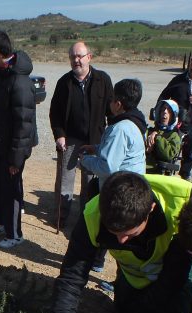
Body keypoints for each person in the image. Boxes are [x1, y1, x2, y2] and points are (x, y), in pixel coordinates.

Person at [51, 171, 192, 313]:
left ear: (150, 210)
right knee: (122, 312)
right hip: (132, 274)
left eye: (130, 233)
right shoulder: (94, 212)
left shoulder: (182, 209)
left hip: (172, 273)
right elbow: (70, 280)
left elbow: (172, 279)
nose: (120, 241)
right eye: (114, 233)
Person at [0, 30, 38, 250]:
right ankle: (3, 224)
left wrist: (16, 159)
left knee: (11, 190)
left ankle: (15, 234)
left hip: (13, 149)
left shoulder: (19, 81)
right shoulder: (1, 75)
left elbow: (24, 124)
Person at [49, 41, 114, 227]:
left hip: (95, 140)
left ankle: (87, 219)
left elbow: (111, 110)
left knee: (90, 182)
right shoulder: (64, 83)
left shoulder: (103, 80)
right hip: (70, 140)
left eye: (80, 56)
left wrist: (110, 137)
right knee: (64, 181)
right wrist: (59, 134)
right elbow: (55, 112)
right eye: (72, 57)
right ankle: (61, 217)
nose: (76, 60)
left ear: (89, 57)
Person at [79, 78, 147, 182]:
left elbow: (107, 168)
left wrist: (85, 160)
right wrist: (96, 149)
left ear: (118, 105)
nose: (109, 102)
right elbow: (122, 151)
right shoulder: (137, 121)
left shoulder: (120, 129)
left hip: (121, 189)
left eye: (111, 99)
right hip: (134, 185)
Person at [145, 99, 182, 172]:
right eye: (162, 109)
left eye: (168, 110)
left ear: (173, 116)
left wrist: (157, 137)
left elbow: (168, 154)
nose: (165, 112)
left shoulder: (174, 136)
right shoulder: (148, 131)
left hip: (158, 172)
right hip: (140, 166)